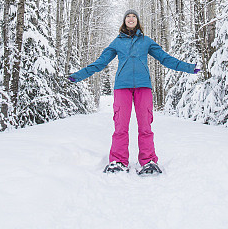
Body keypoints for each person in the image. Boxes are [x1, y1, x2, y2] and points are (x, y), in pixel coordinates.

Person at [68, 9, 201, 175]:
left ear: (138, 21)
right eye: (128, 17)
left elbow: (165, 59)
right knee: (120, 126)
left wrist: (189, 67)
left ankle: (148, 161)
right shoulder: (117, 42)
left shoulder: (146, 41)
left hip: (143, 86)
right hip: (122, 87)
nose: (131, 19)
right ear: (124, 21)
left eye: (134, 17)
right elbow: (100, 63)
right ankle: (118, 161)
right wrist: (78, 75)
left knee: (145, 126)